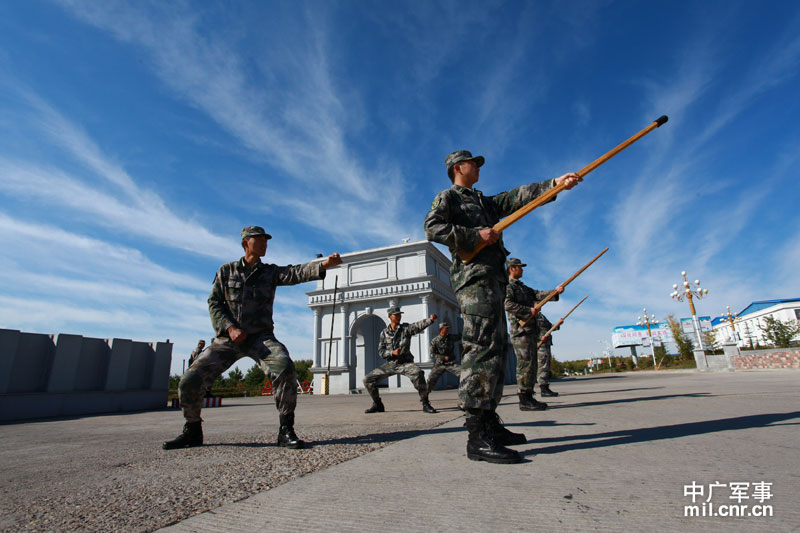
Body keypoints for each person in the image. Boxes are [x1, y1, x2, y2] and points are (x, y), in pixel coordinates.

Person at [424, 150, 581, 464]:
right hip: (474, 281)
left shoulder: (483, 201)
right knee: (481, 349)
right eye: (474, 163)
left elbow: (515, 198)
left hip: (493, 280)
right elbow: (433, 228)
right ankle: (476, 434)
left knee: (495, 351)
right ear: (458, 167)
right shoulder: (449, 198)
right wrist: (474, 235)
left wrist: (554, 184)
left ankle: (489, 421)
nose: (478, 167)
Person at [163, 225, 342, 450]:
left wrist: (323, 265)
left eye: (266, 240)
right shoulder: (226, 271)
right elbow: (214, 303)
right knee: (190, 379)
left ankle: (286, 429)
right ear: (245, 243)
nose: (265, 244)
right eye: (260, 240)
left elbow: (294, 272)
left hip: (261, 338)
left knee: (284, 366)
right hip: (229, 339)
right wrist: (230, 328)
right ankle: (192, 430)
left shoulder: (269, 272)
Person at [504, 257, 563, 410]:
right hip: (520, 331)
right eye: (519, 267)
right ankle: (524, 398)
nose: (522, 269)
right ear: (512, 268)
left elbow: (538, 294)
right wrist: (528, 311)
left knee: (531, 364)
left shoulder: (523, 288)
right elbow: (507, 304)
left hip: (530, 331)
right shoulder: (508, 286)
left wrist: (555, 291)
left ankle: (529, 396)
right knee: (525, 364)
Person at [363, 306, 438, 414]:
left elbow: (417, 326)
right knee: (367, 379)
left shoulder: (406, 329)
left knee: (418, 373)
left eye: (400, 314)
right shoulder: (384, 333)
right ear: (390, 316)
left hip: (405, 363)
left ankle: (425, 403)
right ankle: (377, 404)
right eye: (396, 315)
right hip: (391, 364)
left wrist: (430, 320)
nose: (399, 316)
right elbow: (381, 351)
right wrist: (391, 353)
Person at [425, 321, 462, 410]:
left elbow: (460, 336)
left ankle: (464, 401)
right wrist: (442, 357)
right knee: (430, 381)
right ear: (442, 329)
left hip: (451, 364)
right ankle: (425, 401)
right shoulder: (435, 340)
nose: (448, 330)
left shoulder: (451, 337)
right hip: (440, 364)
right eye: (446, 328)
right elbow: (432, 354)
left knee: (464, 375)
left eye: (448, 328)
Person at [536, 312, 559, 397]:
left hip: (546, 343)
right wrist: (538, 338)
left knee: (546, 365)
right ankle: (543, 388)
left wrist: (557, 325)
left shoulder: (541, 316)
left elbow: (549, 327)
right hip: (540, 344)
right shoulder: (531, 315)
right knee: (542, 365)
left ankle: (545, 386)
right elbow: (529, 330)